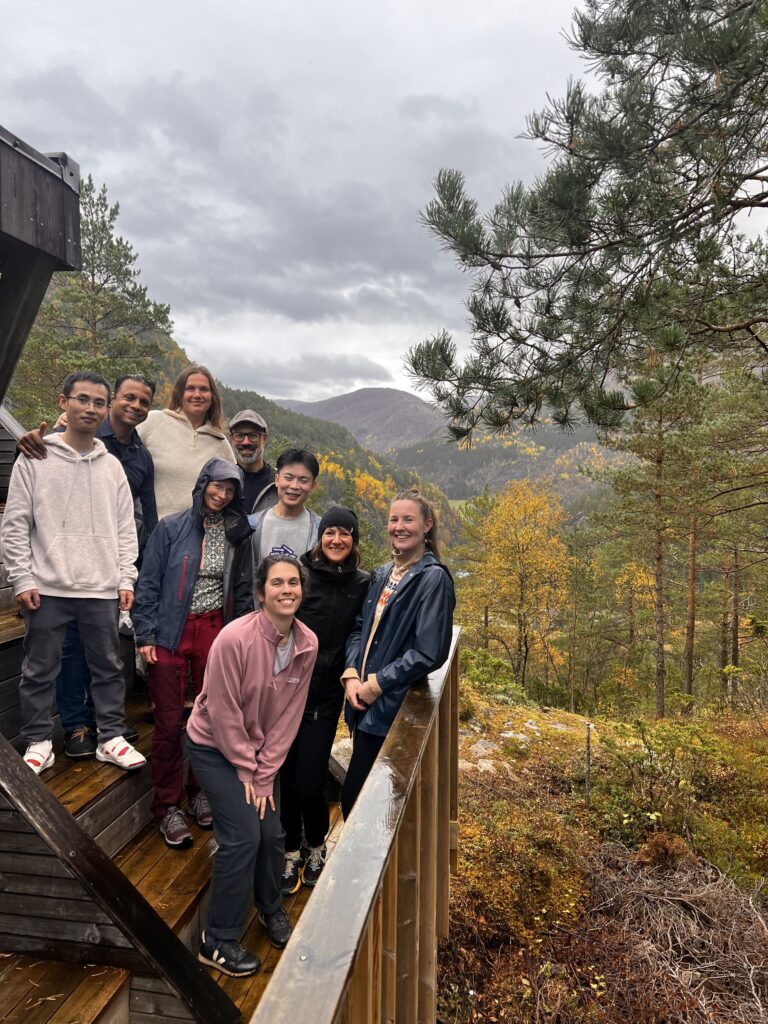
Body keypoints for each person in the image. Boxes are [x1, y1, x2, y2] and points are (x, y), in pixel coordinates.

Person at [0, 371, 146, 774]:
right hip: (47, 586)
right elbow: (15, 524)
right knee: (39, 669)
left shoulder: (112, 467)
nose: (91, 408)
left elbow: (125, 529)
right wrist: (22, 578)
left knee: (107, 666)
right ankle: (38, 740)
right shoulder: (36, 459)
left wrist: (125, 578)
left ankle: (111, 737)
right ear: (64, 402)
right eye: (83, 399)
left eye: (99, 402)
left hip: (100, 586)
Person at [187, 555, 318, 977]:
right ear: (261, 593)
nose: (287, 590)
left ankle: (270, 907)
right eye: (277, 583)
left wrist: (264, 774)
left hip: (260, 754)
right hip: (213, 746)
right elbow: (223, 714)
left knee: (272, 831)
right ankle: (218, 940)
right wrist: (246, 769)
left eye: (294, 582)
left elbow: (288, 719)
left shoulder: (307, 644)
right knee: (243, 836)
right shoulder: (233, 639)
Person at [133, 459, 254, 849]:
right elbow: (148, 582)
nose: (222, 495)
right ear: (202, 483)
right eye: (217, 486)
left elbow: (244, 589)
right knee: (169, 724)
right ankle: (167, 806)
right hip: (171, 630)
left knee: (211, 719)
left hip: (217, 631)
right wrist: (145, 635)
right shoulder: (171, 528)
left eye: (230, 490)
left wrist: (244, 637)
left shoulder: (238, 533)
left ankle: (200, 791)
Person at [340, 490, 455, 818]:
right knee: (363, 801)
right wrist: (351, 674)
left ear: (427, 526)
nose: (399, 527)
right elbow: (360, 629)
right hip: (365, 704)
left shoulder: (432, 579)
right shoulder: (381, 574)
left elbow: (428, 652)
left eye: (408, 519)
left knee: (367, 805)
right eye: (394, 519)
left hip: (392, 707)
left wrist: (376, 684)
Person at [280, 508, 369, 894]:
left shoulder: (363, 583)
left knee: (309, 780)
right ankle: (288, 850)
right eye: (329, 532)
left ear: (353, 540)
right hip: (285, 692)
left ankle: (315, 845)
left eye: (344, 533)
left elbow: (364, 632)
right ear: (319, 537)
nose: (336, 539)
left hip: (325, 695)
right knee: (284, 773)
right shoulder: (300, 574)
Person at [137, 365, 235, 519]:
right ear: (180, 393)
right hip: (151, 530)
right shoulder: (153, 422)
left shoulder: (220, 443)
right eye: (190, 388)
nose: (197, 395)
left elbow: (231, 491)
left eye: (203, 389)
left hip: (195, 536)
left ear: (212, 396)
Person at [249, 449, 322, 572]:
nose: (294, 486)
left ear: (313, 486)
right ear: (277, 480)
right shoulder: (253, 524)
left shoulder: (319, 529)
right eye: (288, 478)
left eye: (303, 481)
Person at [228, 409, 275, 516]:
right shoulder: (224, 482)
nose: (246, 442)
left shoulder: (279, 485)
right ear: (231, 438)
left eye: (253, 435)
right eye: (239, 435)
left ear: (264, 438)